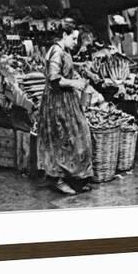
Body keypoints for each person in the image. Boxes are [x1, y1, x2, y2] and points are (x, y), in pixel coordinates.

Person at [37, 18, 94, 195]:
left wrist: (80, 69)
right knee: (61, 139)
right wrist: (74, 83)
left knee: (80, 135)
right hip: (57, 102)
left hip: (67, 99)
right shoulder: (56, 51)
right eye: (73, 38)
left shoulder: (64, 50)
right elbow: (54, 78)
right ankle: (59, 179)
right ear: (64, 35)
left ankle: (77, 176)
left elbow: (66, 68)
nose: (75, 42)